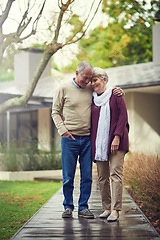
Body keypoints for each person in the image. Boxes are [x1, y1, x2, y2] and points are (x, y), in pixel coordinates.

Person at [52, 62, 123, 219]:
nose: (88, 82)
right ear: (77, 73)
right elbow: (55, 112)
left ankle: (83, 207)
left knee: (87, 176)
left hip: (88, 139)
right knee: (68, 175)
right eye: (85, 78)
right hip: (69, 139)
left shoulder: (90, 88)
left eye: (90, 79)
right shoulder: (62, 88)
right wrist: (62, 131)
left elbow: (105, 90)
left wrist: (118, 90)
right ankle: (68, 206)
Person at [91, 67, 129, 222]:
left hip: (116, 142)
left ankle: (115, 209)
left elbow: (123, 117)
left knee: (115, 175)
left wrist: (117, 137)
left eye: (95, 80)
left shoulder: (115, 95)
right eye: (91, 81)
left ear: (104, 79)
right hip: (100, 144)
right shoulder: (92, 98)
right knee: (102, 177)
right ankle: (106, 208)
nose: (93, 84)